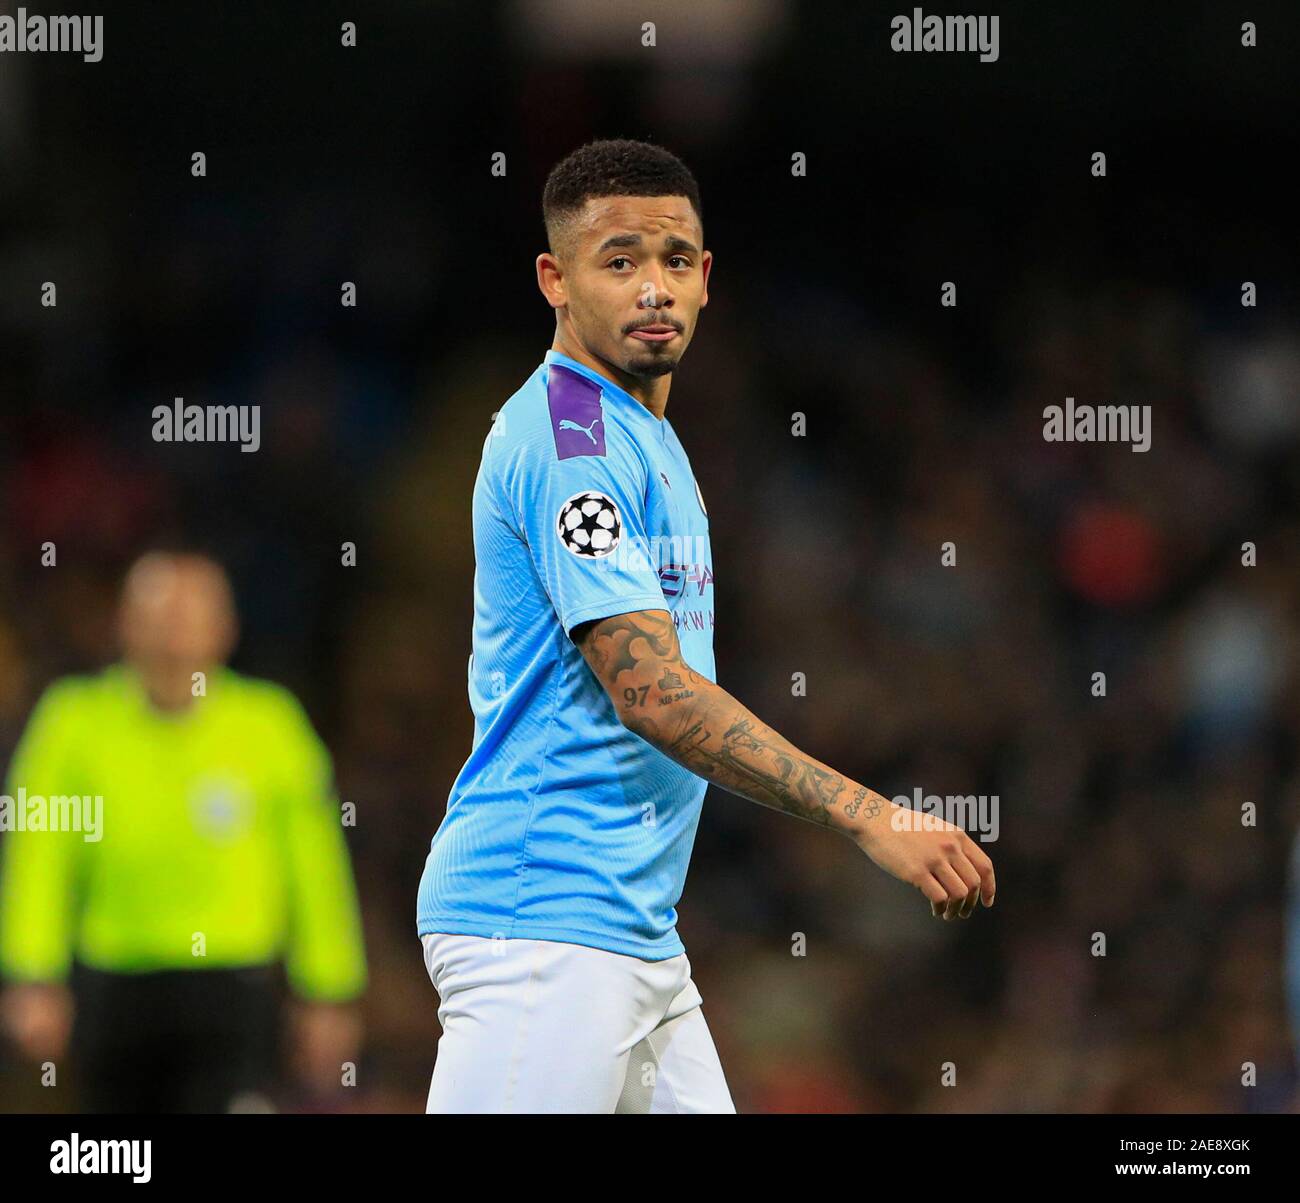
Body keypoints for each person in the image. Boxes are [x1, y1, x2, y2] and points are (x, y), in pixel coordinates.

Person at [416, 138, 995, 1113]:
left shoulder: (648, 434)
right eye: (619, 261)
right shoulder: (574, 443)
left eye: (674, 260)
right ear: (554, 279)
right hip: (542, 926)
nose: (653, 288)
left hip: (632, 934)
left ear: (706, 278)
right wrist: (868, 814)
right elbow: (648, 691)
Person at [0, 551, 367, 1112]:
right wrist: (32, 973)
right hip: (115, 981)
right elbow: (38, 855)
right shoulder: (73, 723)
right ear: (123, 623)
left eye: (190, 615)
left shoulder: (268, 725)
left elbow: (316, 866)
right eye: (158, 614)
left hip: (234, 990)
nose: (173, 633)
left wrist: (329, 988)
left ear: (225, 628)